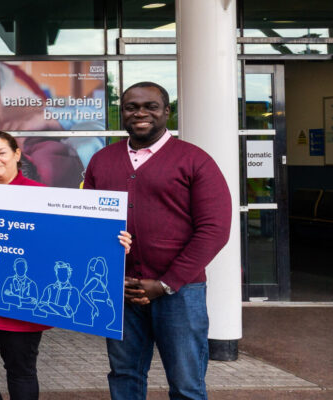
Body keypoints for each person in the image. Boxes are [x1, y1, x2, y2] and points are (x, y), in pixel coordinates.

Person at [0, 131, 131, 400]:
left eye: (1, 152)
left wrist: (112, 245)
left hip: (21, 314)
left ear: (16, 155)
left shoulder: (40, 196)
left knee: (21, 371)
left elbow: (72, 239)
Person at [84, 82, 231, 400]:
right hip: (121, 290)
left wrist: (166, 283)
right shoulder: (101, 160)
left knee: (186, 384)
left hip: (180, 292)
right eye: (131, 106)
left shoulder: (195, 160)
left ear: (167, 111)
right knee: (124, 376)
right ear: (121, 112)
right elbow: (89, 224)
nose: (140, 113)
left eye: (150, 106)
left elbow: (214, 230)